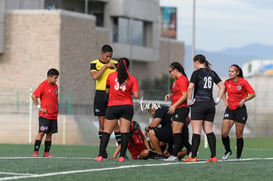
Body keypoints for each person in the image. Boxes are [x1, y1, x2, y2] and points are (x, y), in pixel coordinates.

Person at [94, 57, 140, 162]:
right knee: (125, 132)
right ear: (128, 67)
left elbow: (107, 91)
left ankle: (100, 155)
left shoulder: (111, 76)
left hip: (113, 107)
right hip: (127, 107)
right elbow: (136, 95)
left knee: (107, 132)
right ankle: (122, 156)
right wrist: (128, 91)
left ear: (117, 65)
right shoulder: (132, 78)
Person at [184, 54, 225, 163]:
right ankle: (213, 156)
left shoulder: (196, 73)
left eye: (194, 63)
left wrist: (189, 100)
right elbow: (222, 86)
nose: (194, 66)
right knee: (209, 130)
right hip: (210, 104)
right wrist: (218, 99)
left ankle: (193, 156)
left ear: (197, 62)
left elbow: (190, 87)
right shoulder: (212, 73)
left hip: (199, 104)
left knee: (196, 131)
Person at [90, 45, 121, 158]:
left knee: (115, 124)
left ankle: (121, 150)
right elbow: (95, 77)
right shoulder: (94, 63)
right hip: (100, 94)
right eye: (107, 56)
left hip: (113, 94)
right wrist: (106, 66)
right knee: (102, 124)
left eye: (110, 56)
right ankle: (102, 150)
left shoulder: (116, 64)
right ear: (102, 54)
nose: (109, 58)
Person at [221, 64, 255, 161]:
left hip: (240, 111)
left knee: (238, 134)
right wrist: (224, 101)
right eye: (229, 71)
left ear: (237, 73)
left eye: (232, 71)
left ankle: (238, 156)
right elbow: (223, 91)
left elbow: (253, 94)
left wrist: (244, 100)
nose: (230, 73)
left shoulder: (243, 82)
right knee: (224, 133)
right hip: (230, 109)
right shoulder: (227, 82)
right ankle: (228, 151)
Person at [164, 62, 190, 161]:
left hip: (181, 108)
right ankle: (191, 149)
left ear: (175, 70)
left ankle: (174, 155)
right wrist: (171, 95)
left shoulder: (182, 79)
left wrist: (174, 106)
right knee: (177, 131)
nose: (170, 73)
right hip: (178, 108)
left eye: (170, 71)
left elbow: (185, 95)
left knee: (176, 131)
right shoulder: (177, 80)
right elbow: (179, 93)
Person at [32, 68, 59, 157]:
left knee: (50, 134)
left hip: (53, 115)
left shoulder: (55, 86)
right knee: (41, 133)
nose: (56, 80)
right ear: (49, 77)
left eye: (57, 78)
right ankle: (35, 152)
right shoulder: (43, 85)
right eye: (55, 78)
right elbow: (34, 96)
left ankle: (46, 153)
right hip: (45, 115)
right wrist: (39, 107)